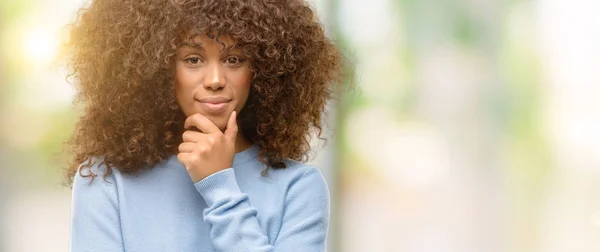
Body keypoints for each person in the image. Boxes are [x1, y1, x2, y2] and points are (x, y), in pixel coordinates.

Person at [62, 0, 344, 251]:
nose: (215, 79)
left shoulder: (299, 188)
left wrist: (219, 185)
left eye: (234, 59)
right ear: (157, 68)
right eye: (193, 59)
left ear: (263, 70)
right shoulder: (106, 181)